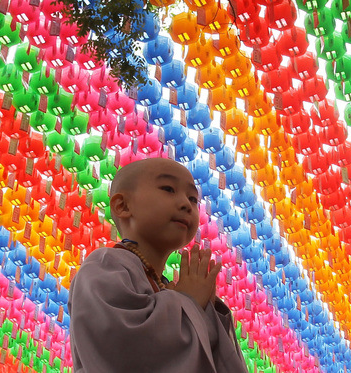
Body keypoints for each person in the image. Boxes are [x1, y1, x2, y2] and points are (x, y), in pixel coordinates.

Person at [68, 157, 247, 373]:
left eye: (192, 199)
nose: (185, 205)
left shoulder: (165, 286)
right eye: (168, 189)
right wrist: (187, 302)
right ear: (122, 206)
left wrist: (205, 310)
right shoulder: (105, 265)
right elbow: (122, 348)